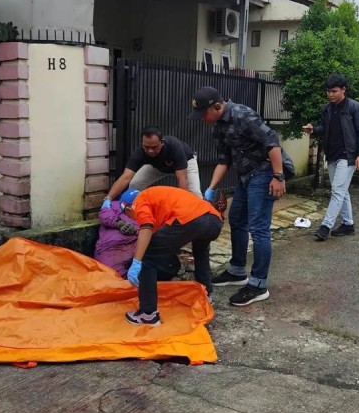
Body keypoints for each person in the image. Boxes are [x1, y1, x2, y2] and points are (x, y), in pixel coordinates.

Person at [190, 86, 286, 307]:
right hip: (244, 176)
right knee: (236, 220)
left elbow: (272, 142)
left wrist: (278, 177)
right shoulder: (219, 126)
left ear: (217, 106)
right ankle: (237, 270)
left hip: (263, 172)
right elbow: (224, 160)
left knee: (259, 228)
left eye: (204, 113)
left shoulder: (242, 114)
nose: (202, 119)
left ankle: (258, 284)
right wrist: (210, 189)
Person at [120, 186, 223, 326]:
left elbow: (146, 227)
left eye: (129, 216)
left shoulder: (138, 201)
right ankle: (205, 295)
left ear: (128, 209)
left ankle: (147, 314)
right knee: (201, 250)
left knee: (147, 255)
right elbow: (163, 237)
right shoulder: (155, 197)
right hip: (214, 220)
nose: (133, 219)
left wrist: (137, 261)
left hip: (192, 219)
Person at [302, 73, 359, 241]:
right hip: (332, 155)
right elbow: (326, 128)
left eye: (334, 91)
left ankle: (326, 226)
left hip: (348, 155)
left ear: (343, 90)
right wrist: (314, 130)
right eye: (328, 91)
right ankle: (348, 224)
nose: (330, 94)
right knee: (342, 190)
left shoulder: (355, 108)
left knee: (337, 191)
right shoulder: (327, 109)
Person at [102, 127, 202, 211]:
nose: (150, 151)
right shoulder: (139, 153)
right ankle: (136, 211)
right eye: (146, 147)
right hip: (158, 167)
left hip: (186, 164)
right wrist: (108, 198)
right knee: (134, 184)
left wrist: (181, 205)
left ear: (162, 143)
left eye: (154, 147)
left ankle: (202, 217)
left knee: (195, 194)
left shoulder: (174, 147)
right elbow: (125, 177)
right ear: (142, 143)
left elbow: (182, 178)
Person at [95, 199, 140, 277]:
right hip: (112, 251)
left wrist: (136, 231)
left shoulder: (145, 215)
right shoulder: (114, 207)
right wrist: (119, 223)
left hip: (134, 250)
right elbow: (104, 214)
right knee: (112, 276)